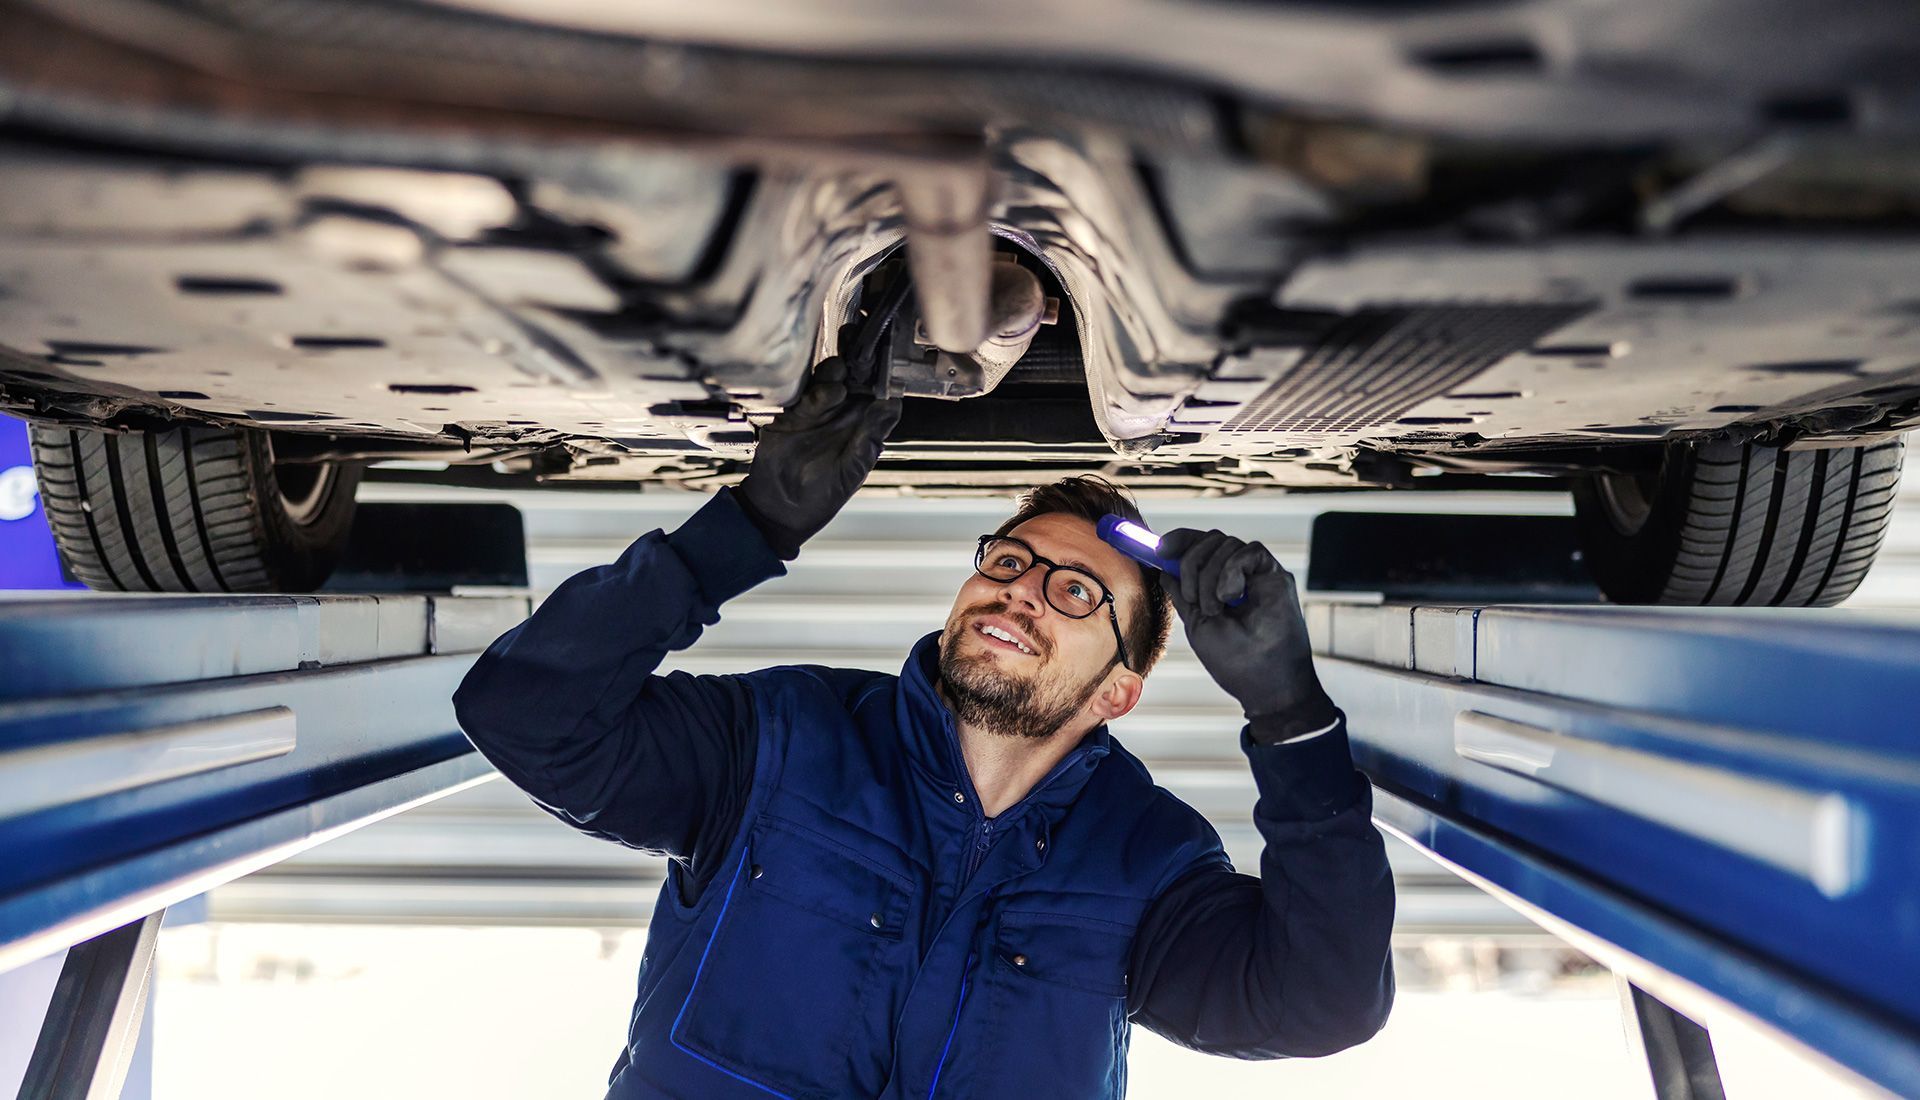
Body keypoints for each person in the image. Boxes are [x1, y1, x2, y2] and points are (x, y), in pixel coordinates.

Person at [452, 356, 1396, 1099]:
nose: (1020, 589)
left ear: (1119, 690)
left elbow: (1324, 1000)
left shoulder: (1146, 865)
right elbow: (525, 715)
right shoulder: (778, 743)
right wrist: (745, 527)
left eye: (1073, 592)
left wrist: (1289, 715)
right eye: (1009, 561)